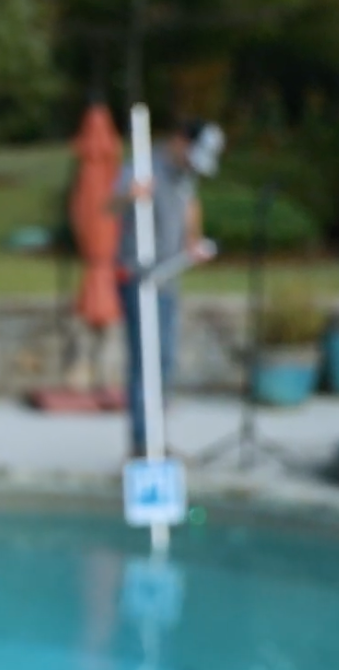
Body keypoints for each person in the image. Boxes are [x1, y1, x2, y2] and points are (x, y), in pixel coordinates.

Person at [113, 118, 225, 457]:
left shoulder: (184, 175)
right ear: (179, 140)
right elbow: (107, 206)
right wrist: (129, 196)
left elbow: (190, 202)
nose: (192, 166)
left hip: (167, 276)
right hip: (138, 277)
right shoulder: (142, 167)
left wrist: (191, 240)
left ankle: (157, 438)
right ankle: (141, 443)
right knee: (143, 361)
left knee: (164, 361)